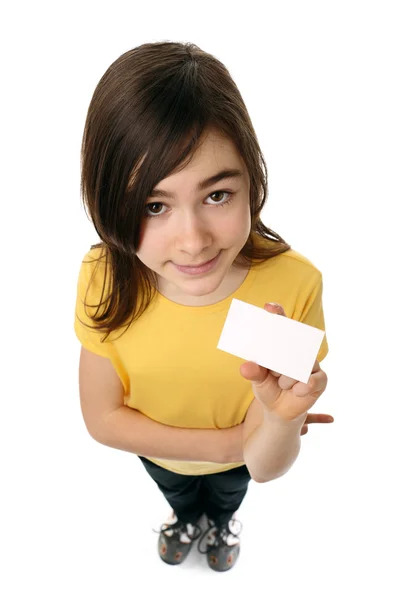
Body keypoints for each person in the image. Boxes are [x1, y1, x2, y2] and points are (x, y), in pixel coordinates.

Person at [74, 41, 332, 573]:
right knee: (179, 494)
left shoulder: (288, 288)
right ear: (107, 201)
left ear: (251, 182)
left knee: (229, 496)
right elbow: (101, 418)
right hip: (163, 458)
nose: (192, 242)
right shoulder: (104, 277)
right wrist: (230, 443)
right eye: (154, 205)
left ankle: (221, 522)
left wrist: (279, 422)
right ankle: (185, 518)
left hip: (240, 464)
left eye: (217, 196)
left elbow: (263, 466)